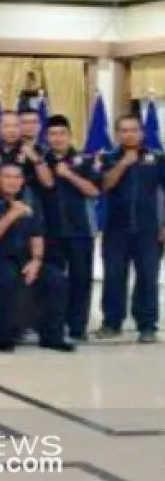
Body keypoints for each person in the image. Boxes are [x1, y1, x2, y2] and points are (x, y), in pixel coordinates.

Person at [0, 164, 73, 353]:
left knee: (56, 279)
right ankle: (4, 336)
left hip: (26, 258)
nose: (12, 181)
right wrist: (12, 214)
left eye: (17, 177)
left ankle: (53, 336)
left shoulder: (30, 204)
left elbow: (37, 235)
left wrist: (36, 260)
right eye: (7, 177)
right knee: (7, 280)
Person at [95, 114, 165, 344]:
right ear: (117, 134)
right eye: (124, 130)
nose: (129, 134)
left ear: (142, 133)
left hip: (148, 230)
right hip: (116, 229)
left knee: (148, 278)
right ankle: (111, 323)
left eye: (134, 130)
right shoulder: (108, 158)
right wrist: (124, 163)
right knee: (114, 277)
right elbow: (104, 186)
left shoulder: (156, 158)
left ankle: (147, 325)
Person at [38, 115, 99, 341]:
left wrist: (68, 174)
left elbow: (94, 191)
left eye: (62, 134)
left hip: (80, 230)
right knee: (52, 280)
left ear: (70, 136)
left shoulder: (85, 160)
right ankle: (51, 325)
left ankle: (77, 327)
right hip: (50, 231)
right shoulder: (41, 161)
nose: (57, 138)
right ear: (46, 137)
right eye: (52, 134)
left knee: (80, 280)